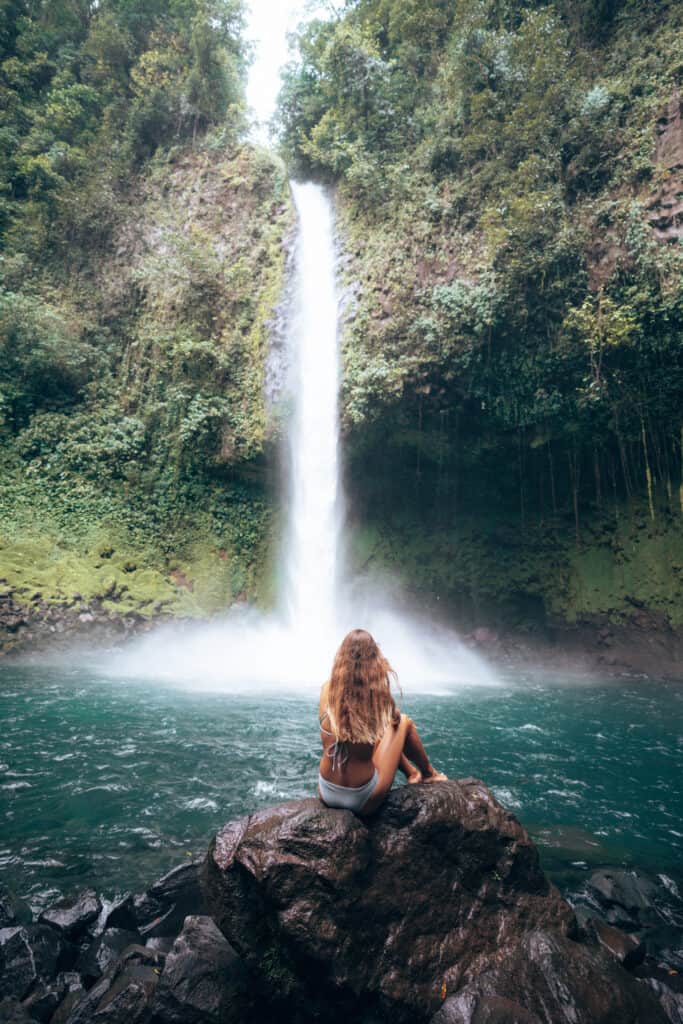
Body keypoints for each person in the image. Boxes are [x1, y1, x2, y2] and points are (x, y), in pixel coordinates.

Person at [318, 628, 447, 816]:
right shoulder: (375, 695)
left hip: (326, 791)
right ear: (373, 658)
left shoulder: (326, 690)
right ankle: (429, 774)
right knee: (403, 723)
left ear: (341, 656)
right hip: (361, 798)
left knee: (378, 733)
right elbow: (394, 722)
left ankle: (412, 773)